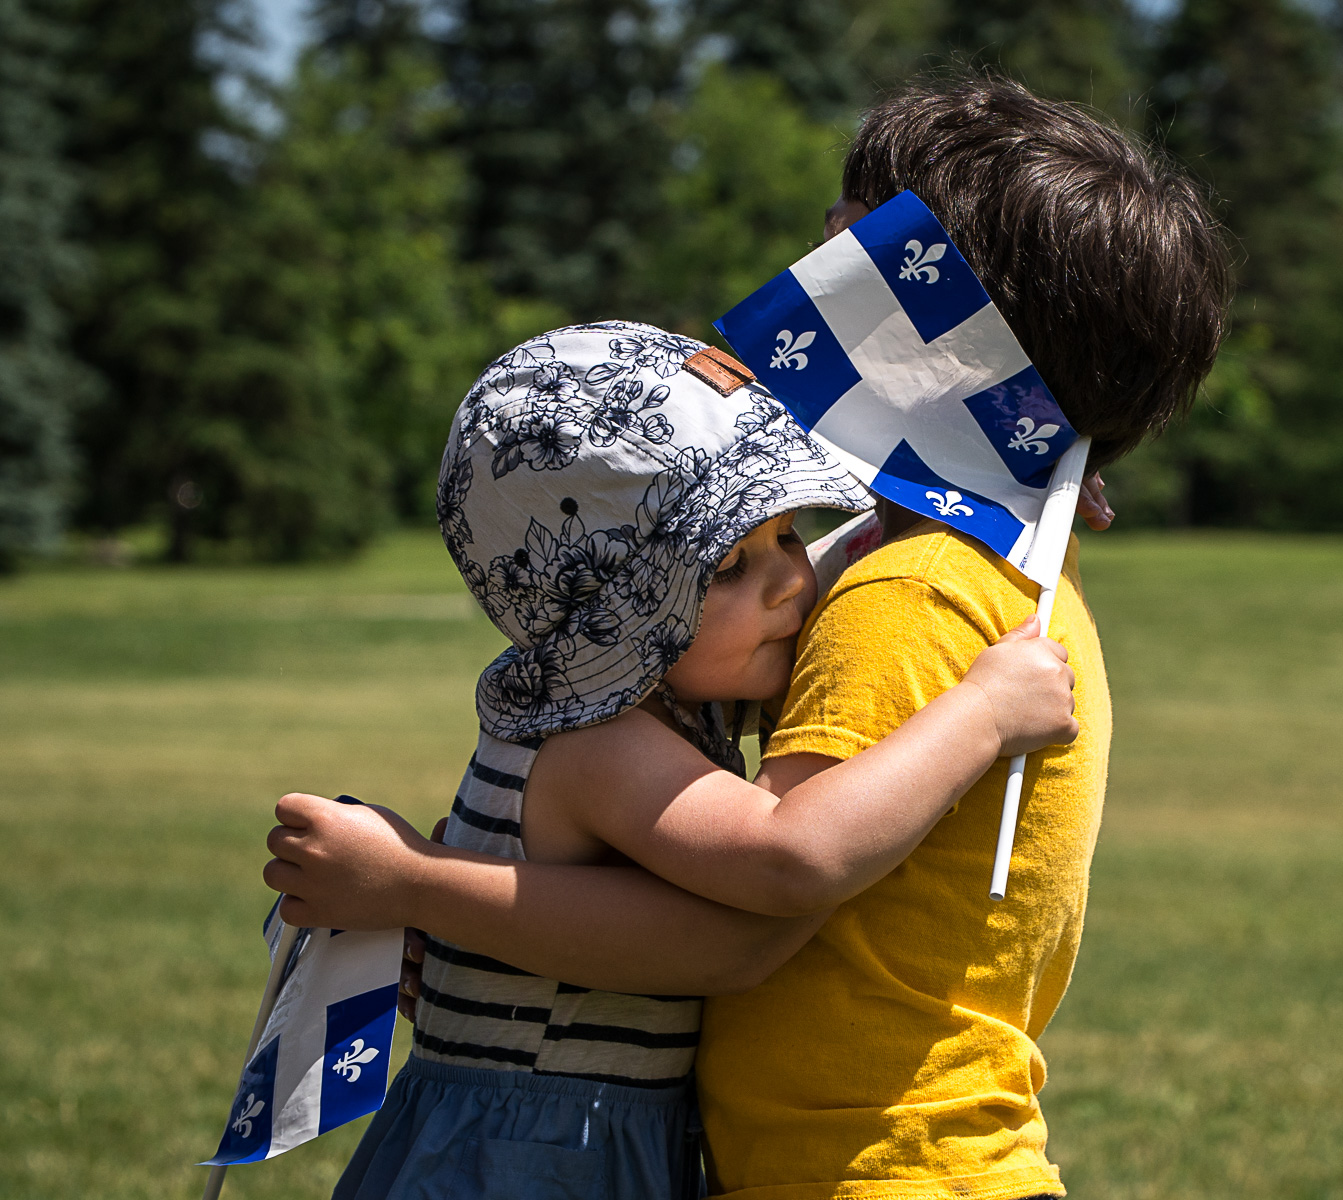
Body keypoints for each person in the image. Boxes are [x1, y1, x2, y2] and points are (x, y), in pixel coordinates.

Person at [267, 72, 1231, 1200]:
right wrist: (438, 892)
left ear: (954, 349)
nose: (807, 281)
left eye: (855, 258)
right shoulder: (919, 582)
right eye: (737, 554)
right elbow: (764, 889)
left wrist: (426, 886)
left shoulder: (910, 591)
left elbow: (782, 874)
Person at [268, 321, 1083, 1199]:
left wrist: (1025, 473)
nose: (790, 582)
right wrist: (983, 713)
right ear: (615, 617)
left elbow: (789, 576)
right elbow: (784, 862)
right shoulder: (600, 745)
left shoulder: (650, 693)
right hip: (527, 1158)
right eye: (731, 562)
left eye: (785, 535)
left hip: (581, 1140)